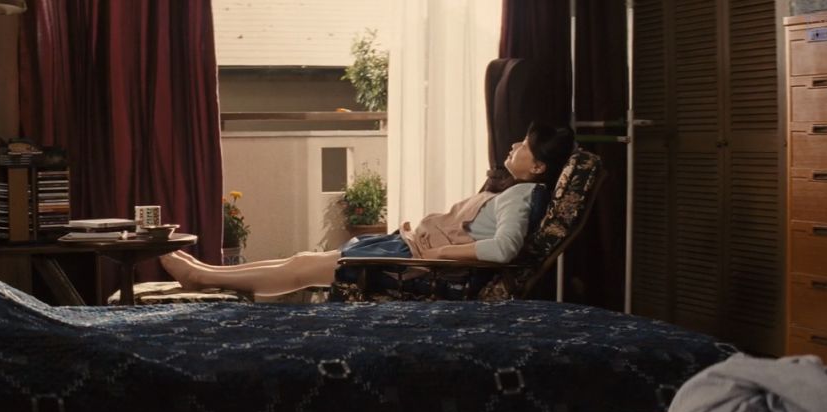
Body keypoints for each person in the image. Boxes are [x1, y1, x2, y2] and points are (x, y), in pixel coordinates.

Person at [161, 121, 576, 296]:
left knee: (302, 267)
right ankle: (209, 274)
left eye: (524, 145)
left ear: (539, 167)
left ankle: (203, 276)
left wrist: (442, 251)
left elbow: (503, 249)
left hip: (414, 264)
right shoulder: (515, 191)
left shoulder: (522, 196)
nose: (513, 146)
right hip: (409, 250)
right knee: (302, 260)